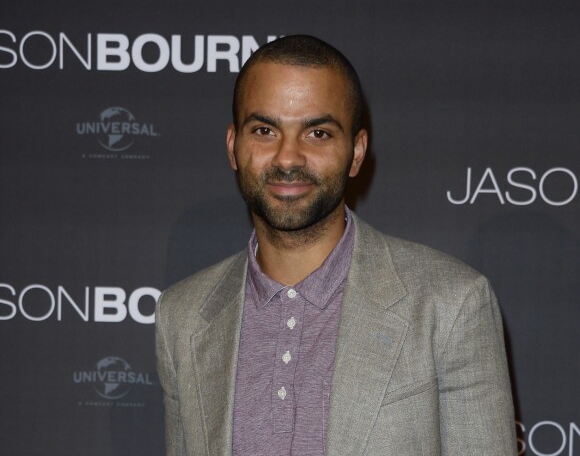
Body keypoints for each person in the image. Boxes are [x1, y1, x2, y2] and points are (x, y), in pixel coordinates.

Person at [155, 35, 516, 455]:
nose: (288, 158)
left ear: (357, 152)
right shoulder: (182, 316)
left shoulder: (450, 305)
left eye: (318, 133)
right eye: (265, 130)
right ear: (234, 146)